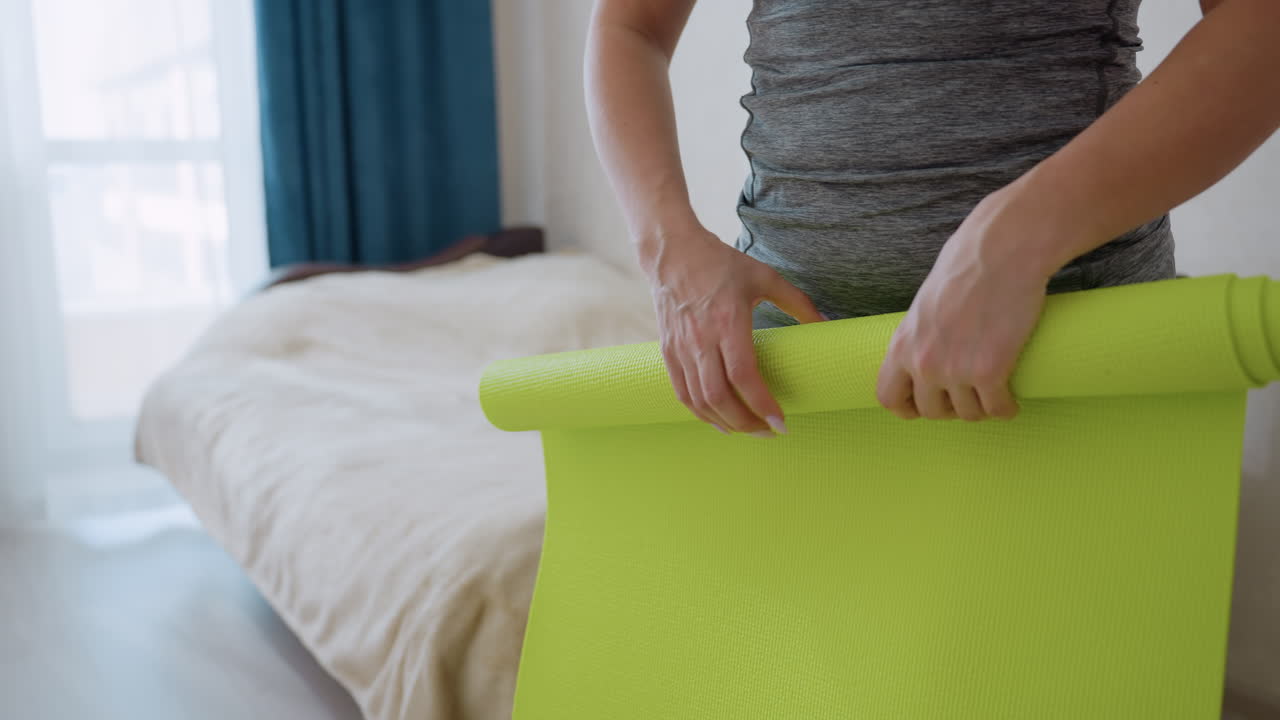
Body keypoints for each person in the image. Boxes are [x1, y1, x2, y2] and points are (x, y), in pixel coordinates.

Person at [585, 0, 1279, 435]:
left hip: (1070, 341)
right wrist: (668, 247)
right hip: (792, 369)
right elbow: (628, 25)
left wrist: (1013, 240)